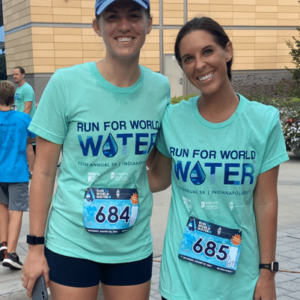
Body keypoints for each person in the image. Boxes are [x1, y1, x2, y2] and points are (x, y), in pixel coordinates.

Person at [21, 0, 170, 299]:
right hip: (71, 243)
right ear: (96, 27)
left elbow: (159, 174)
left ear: (149, 23)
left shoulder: (160, 88)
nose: (124, 25)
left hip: (132, 245)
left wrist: (131, 183)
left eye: (134, 16)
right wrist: (35, 248)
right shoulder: (66, 82)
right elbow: (44, 173)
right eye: (112, 17)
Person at [148, 17, 289, 300]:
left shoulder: (263, 121)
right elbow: (158, 179)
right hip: (180, 284)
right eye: (188, 58)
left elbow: (265, 201)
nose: (199, 64)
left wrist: (267, 272)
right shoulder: (173, 118)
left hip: (240, 283)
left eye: (208, 51)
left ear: (228, 51)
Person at [0, 81, 36, 270]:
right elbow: (34, 136)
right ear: (14, 98)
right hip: (16, 171)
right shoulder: (23, 118)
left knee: (2, 207)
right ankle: (11, 253)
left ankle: (3, 244)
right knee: (16, 210)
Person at [13, 66, 36, 178]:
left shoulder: (27, 89)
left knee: (28, 145)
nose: (14, 76)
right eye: (13, 74)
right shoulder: (18, 89)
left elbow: (27, 107)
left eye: (17, 74)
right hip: (19, 120)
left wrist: (21, 122)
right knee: (23, 145)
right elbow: (17, 106)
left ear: (23, 75)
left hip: (26, 122)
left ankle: (31, 171)